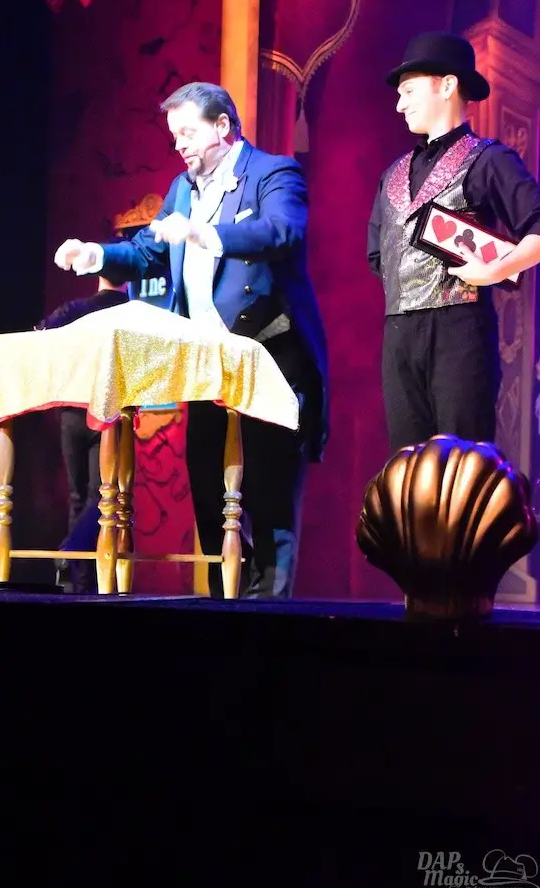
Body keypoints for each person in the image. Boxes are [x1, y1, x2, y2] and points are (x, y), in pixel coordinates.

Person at [54, 81, 329, 599]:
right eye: (174, 135)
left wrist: (207, 234)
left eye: (187, 132)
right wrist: (97, 255)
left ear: (222, 126)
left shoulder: (273, 173)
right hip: (207, 367)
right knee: (211, 499)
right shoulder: (183, 189)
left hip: (270, 358)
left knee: (269, 505)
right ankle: (224, 617)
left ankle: (271, 625)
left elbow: (282, 231)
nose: (178, 144)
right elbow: (147, 251)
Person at [367, 32, 540, 453]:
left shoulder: (489, 159)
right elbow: (378, 257)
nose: (399, 104)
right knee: (407, 468)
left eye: (409, 91)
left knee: (461, 464)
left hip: (459, 331)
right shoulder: (392, 175)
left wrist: (496, 269)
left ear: (447, 85)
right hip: (399, 335)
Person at [35, 275, 129, 592]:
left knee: (79, 498)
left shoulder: (75, 309)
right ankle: (73, 551)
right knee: (102, 497)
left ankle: (79, 583)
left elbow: (39, 335)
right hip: (109, 414)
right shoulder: (133, 313)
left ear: (99, 273)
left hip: (72, 411)